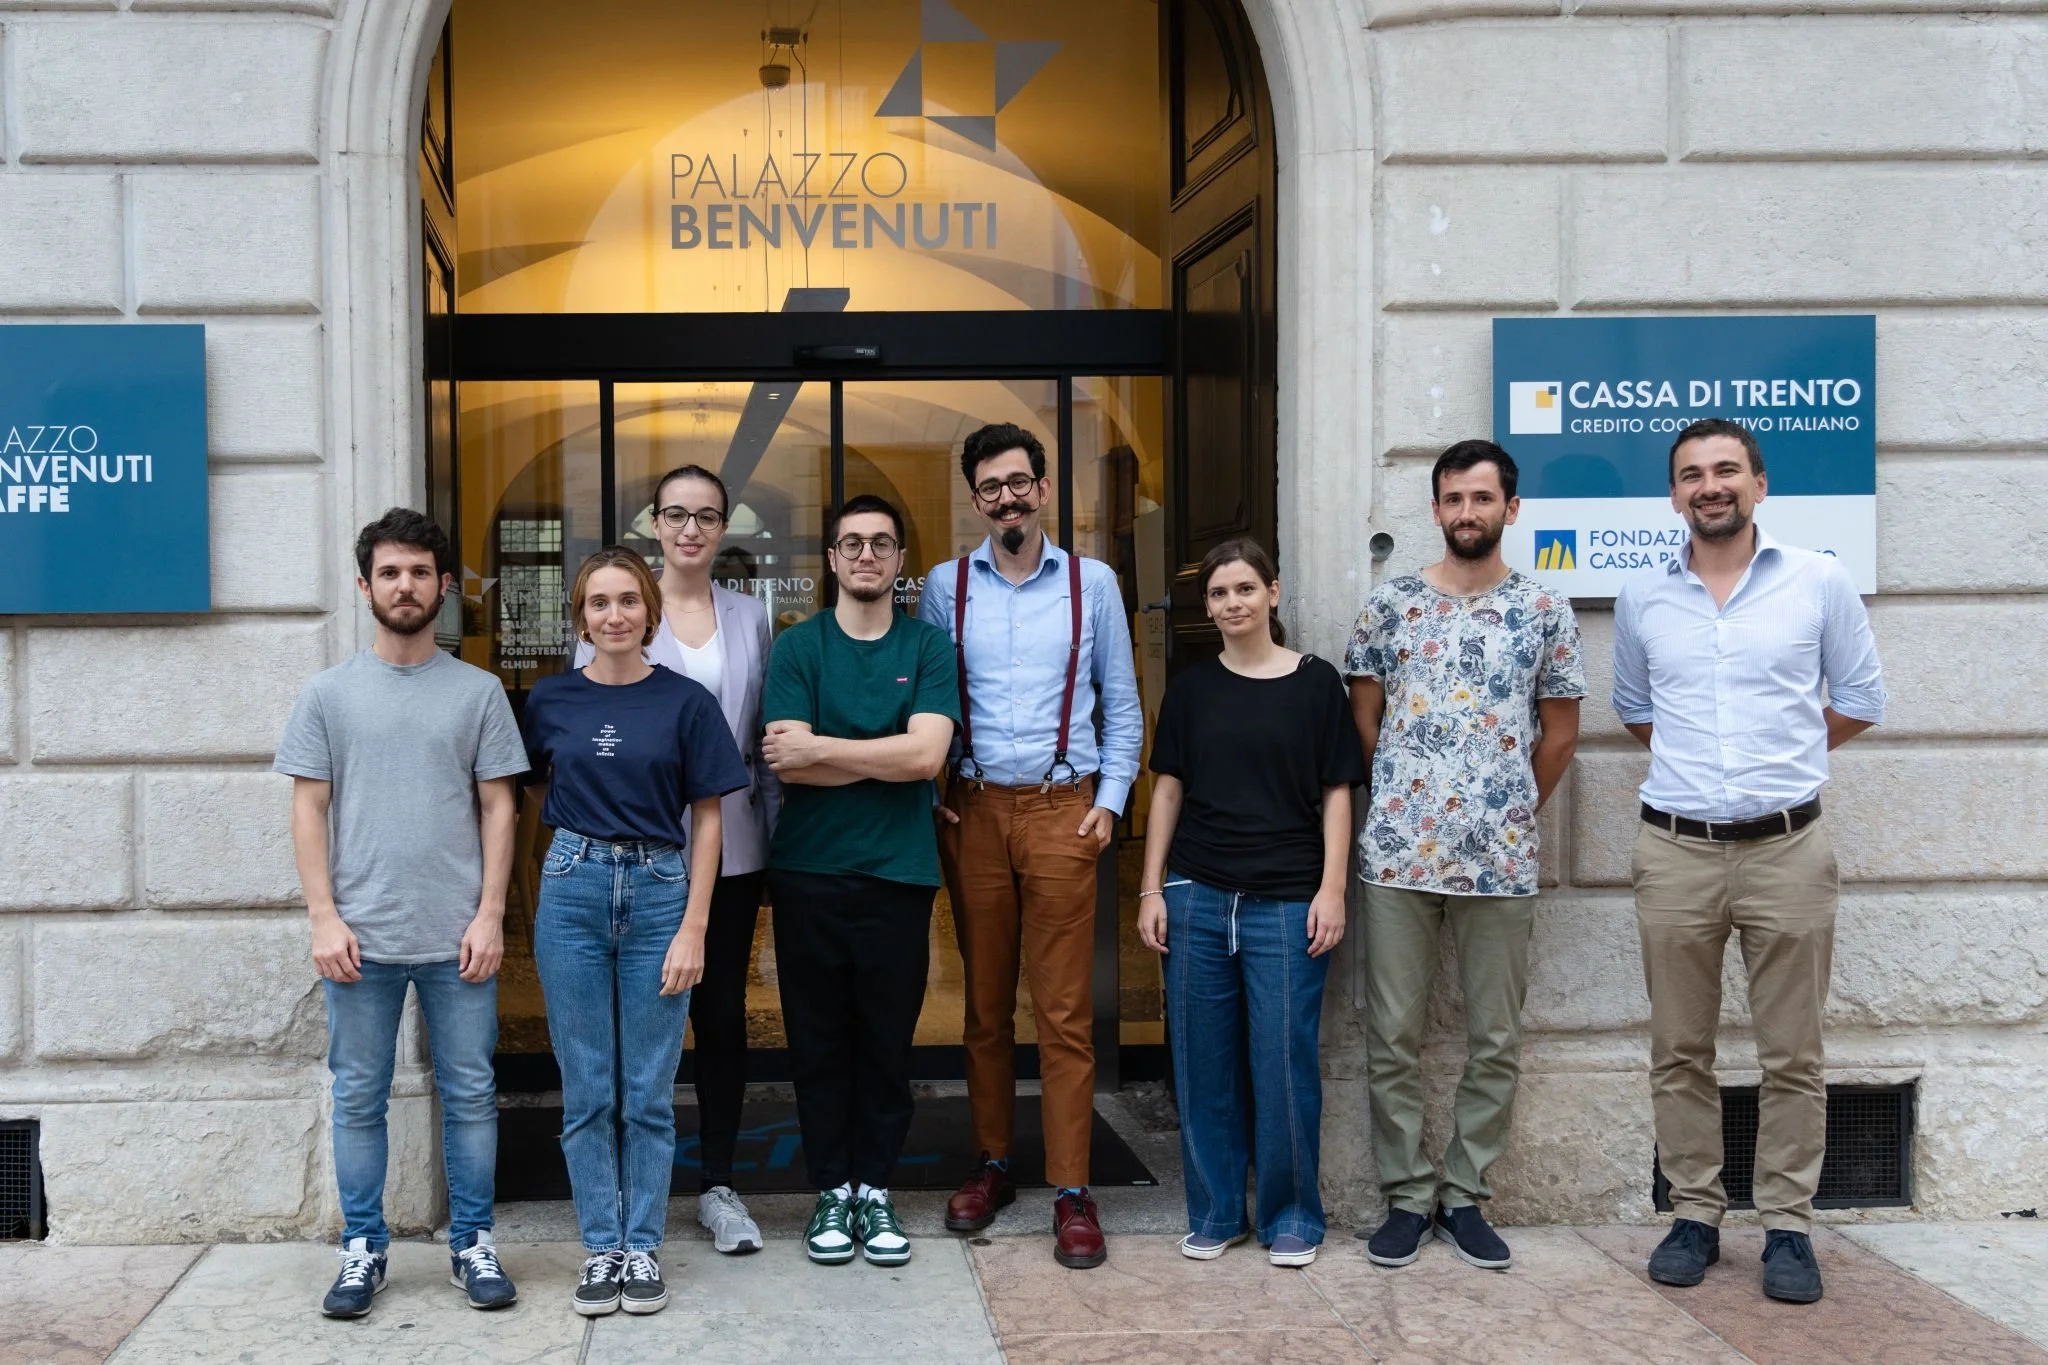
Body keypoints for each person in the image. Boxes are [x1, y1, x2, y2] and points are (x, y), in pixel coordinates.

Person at [1614, 418, 1885, 1305]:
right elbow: (1637, 710)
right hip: (1676, 850)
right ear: (1674, 495)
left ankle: (1788, 1226)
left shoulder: (1819, 580)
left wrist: (1783, 760)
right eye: (1692, 474)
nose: (1710, 485)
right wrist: (1707, 772)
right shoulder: (1643, 596)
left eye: (1726, 469)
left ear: (1760, 483)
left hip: (1788, 849)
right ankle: (1695, 1211)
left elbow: (1860, 698)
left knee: (1793, 1051)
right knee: (1678, 1048)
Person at [277, 508, 528, 1319]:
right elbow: (308, 808)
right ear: (365, 585)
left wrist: (490, 914)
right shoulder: (328, 694)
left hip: (458, 937)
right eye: (390, 572)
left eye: (420, 572)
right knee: (358, 1096)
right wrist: (323, 916)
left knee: (471, 1093)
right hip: (360, 938)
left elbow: (500, 808)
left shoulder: (478, 692)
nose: (405, 585)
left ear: (444, 585)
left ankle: (473, 1243)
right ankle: (363, 1247)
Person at [1345, 440, 1585, 1272]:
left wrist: (1506, 806)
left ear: (1510, 508)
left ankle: (1465, 1191)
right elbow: (1365, 718)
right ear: (1436, 509)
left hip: (1500, 860)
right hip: (1398, 857)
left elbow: (1560, 734)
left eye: (1482, 498)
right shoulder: (1391, 606)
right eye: (1453, 499)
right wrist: (1405, 796)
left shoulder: (1544, 609)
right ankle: (1407, 1195)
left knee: (1495, 1035)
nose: (1467, 512)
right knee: (1392, 1034)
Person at [915, 422, 1141, 1271]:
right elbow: (930, 698)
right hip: (973, 809)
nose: (1006, 498)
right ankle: (993, 1162)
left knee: (1064, 1012)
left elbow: (1122, 703)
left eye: (1018, 482)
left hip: (1062, 809)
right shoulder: (945, 586)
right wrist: (934, 794)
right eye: (990, 487)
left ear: (1043, 489)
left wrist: (1109, 803)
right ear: (975, 499)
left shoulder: (1094, 582)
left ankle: (1072, 1187)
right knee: (983, 1006)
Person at [521, 546, 749, 1316]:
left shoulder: (687, 702)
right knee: (587, 1085)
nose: (613, 615)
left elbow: (709, 818)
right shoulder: (550, 698)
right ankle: (602, 1246)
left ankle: (643, 1244)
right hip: (573, 887)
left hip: (658, 890)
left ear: (650, 611)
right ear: (580, 617)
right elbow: (531, 793)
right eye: (598, 602)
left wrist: (694, 926)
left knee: (648, 1088)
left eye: (627, 600)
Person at [1138, 538, 1364, 1268]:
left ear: (1273, 592)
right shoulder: (1192, 690)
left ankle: (1292, 1214)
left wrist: (1332, 888)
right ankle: (1214, 1211)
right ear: (1206, 607)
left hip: (1287, 902)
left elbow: (1337, 791)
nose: (1231, 602)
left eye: (1243, 588)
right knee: (1202, 1064)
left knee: (1283, 1063)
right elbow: (1167, 790)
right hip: (1197, 895)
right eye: (1218, 593)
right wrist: (1151, 887)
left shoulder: (1315, 683)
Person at [571, 464, 779, 1255]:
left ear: (723, 527)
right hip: (635, 849)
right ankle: (625, 1188)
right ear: (654, 522)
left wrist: (779, 840)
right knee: (630, 1023)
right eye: (677, 514)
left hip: (733, 847)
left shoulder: (750, 616)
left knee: (719, 1017)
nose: (691, 529)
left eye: (707, 516)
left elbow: (759, 737)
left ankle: (718, 1184)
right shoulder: (618, 607)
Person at [761, 494, 959, 1268]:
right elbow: (787, 762)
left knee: (884, 1043)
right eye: (853, 543)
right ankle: (830, 1190)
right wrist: (882, 754)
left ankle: (873, 1189)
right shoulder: (797, 647)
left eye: (881, 543)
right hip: (807, 871)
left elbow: (927, 758)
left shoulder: (928, 645)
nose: (867, 555)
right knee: (817, 1043)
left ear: (901, 560)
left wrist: (826, 749)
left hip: (898, 874)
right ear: (833, 559)